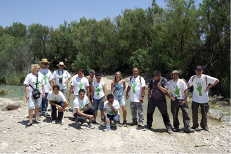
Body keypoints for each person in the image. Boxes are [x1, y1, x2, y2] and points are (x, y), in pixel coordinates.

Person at [187, 65, 219, 131]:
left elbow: (217, 80)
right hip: (195, 99)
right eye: (197, 70)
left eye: (200, 71)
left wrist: (209, 87)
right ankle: (195, 125)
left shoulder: (206, 77)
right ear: (195, 71)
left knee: (204, 113)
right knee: (194, 113)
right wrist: (184, 82)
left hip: (204, 99)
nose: (198, 72)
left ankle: (204, 126)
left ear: (202, 71)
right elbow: (189, 86)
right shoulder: (193, 78)